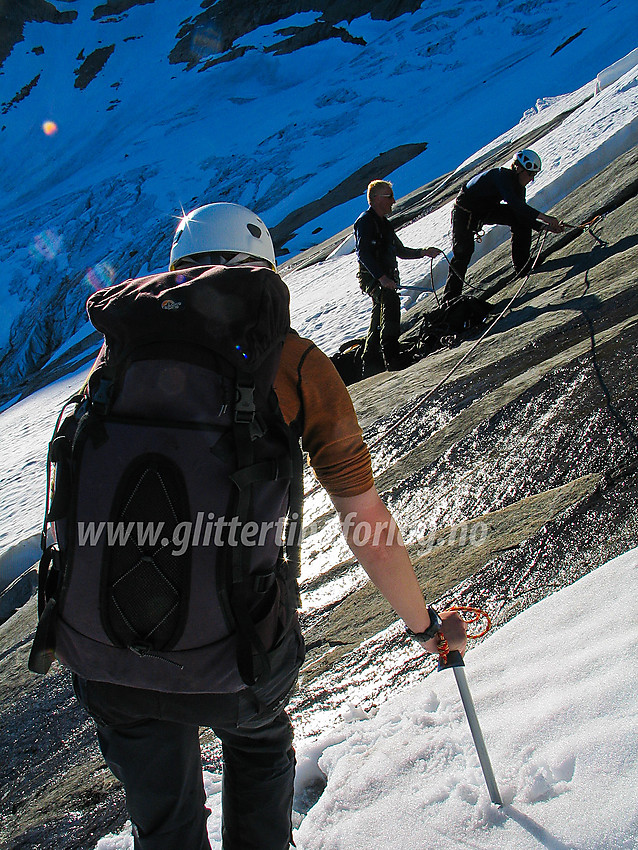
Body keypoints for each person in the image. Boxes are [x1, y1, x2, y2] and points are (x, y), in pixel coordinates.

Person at [71, 203, 467, 850]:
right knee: (258, 747)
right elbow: (364, 520)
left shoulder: (116, 359)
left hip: (110, 656)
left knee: (164, 830)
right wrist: (423, 626)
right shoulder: (295, 363)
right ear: (265, 272)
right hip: (242, 651)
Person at [442, 149, 565, 305]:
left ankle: (523, 265)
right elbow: (515, 204)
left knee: (519, 221)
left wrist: (543, 227)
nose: (531, 179)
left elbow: (521, 213)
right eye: (530, 174)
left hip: (483, 210)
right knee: (463, 253)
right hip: (464, 212)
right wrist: (546, 219)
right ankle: (450, 299)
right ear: (519, 168)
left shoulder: (518, 186)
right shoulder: (501, 176)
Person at [354, 180, 439, 376]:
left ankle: (370, 362)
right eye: (389, 196)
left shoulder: (384, 224)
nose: (394, 200)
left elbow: (399, 250)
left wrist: (423, 252)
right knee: (390, 309)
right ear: (375, 199)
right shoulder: (365, 222)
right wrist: (382, 278)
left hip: (385, 277)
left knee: (379, 316)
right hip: (376, 279)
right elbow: (363, 254)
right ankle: (392, 358)